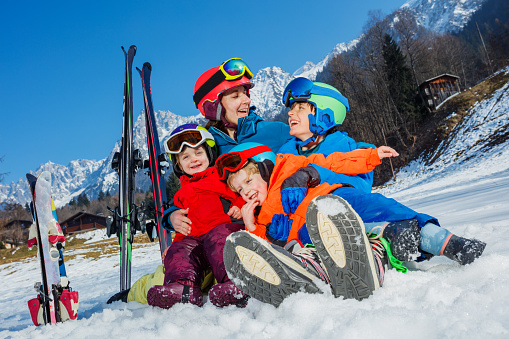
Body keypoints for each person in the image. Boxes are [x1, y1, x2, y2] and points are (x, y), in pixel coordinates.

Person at [277, 77, 486, 265]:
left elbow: (358, 188)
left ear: (324, 113)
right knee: (309, 230)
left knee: (376, 205)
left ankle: (444, 242)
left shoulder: (349, 147)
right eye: (291, 109)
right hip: (300, 226)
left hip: (340, 207)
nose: (290, 113)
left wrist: (318, 176)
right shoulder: (284, 153)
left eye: (300, 108)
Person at [216, 142, 397, 307]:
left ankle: (367, 267)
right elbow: (264, 251)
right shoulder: (262, 217)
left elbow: (332, 162)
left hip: (326, 218)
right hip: (307, 245)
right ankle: (309, 277)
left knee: (357, 235)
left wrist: (370, 156)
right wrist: (251, 226)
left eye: (248, 181)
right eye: (240, 190)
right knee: (299, 250)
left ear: (265, 169)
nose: (246, 191)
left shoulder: (291, 166)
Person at [165, 58, 292, 236]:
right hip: (237, 232)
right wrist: (171, 216)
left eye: (246, 93)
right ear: (214, 106)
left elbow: (315, 147)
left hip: (282, 224)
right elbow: (193, 190)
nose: (246, 100)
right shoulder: (206, 149)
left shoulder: (275, 131)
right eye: (235, 96)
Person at [146, 124, 249, 309]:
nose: (193, 159)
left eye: (198, 153)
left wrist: (239, 206)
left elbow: (241, 192)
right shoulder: (180, 194)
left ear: (209, 153)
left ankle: (236, 282)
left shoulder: (221, 177)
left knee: (219, 241)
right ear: (178, 164)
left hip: (223, 229)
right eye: (186, 157)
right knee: (180, 251)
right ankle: (182, 290)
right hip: (196, 239)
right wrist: (174, 244)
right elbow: (183, 225)